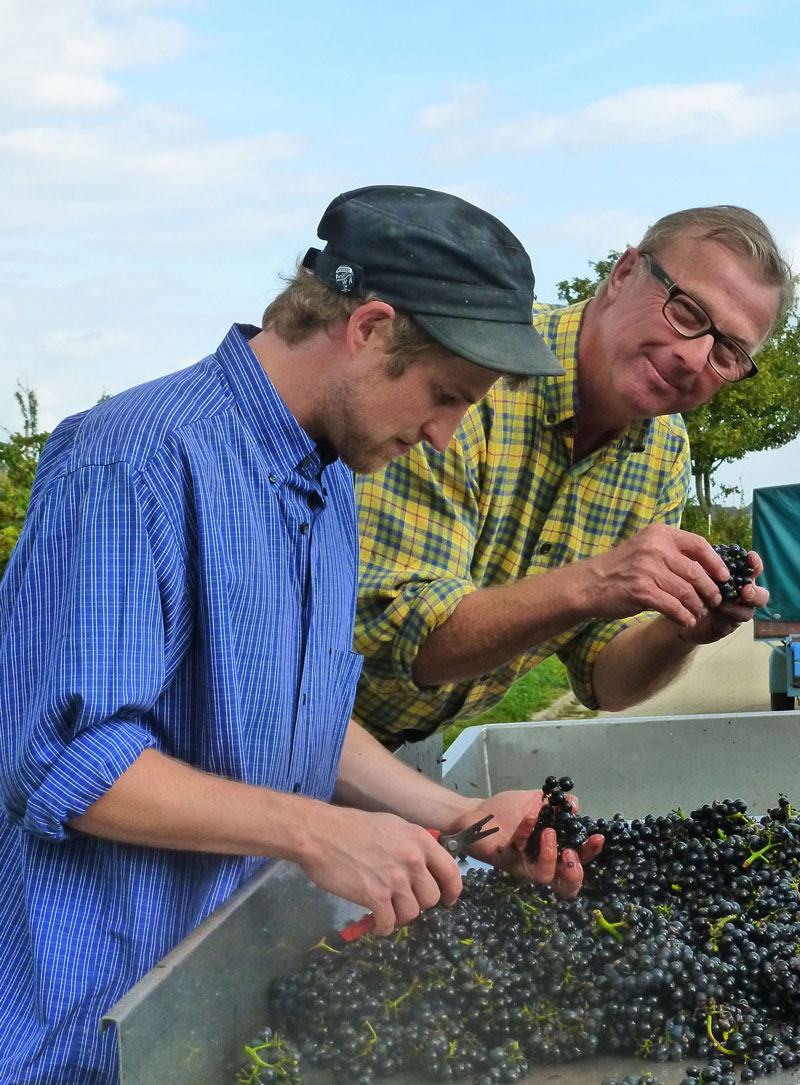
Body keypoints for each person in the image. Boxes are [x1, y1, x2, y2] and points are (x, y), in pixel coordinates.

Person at [0, 185, 604, 1085]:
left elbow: (296, 719)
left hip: (218, 1007)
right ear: (367, 328)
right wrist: (315, 832)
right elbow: (56, 758)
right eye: (444, 395)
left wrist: (459, 818)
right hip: (93, 1029)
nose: (443, 437)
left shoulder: (329, 483)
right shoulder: (131, 461)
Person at [353, 205, 793, 746]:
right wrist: (598, 581)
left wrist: (680, 634)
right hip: (275, 724)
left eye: (728, 352)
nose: (694, 357)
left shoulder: (664, 455)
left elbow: (605, 680)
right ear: (624, 274)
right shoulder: (479, 366)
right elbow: (409, 644)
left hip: (393, 750)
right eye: (687, 312)